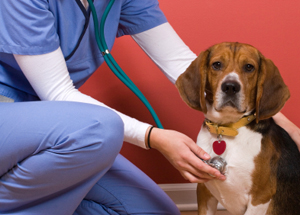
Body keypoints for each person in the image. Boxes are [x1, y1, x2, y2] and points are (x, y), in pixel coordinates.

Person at [0, 1, 299, 215]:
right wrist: (153, 137)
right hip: (12, 114)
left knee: (156, 211)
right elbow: (57, 92)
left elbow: (184, 67)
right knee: (102, 128)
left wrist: (290, 130)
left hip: (59, 130)